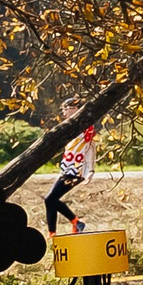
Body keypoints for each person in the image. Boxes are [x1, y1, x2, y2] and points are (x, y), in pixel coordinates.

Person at [45, 98, 92, 233]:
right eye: (63, 109)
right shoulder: (69, 127)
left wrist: (90, 171)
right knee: (51, 200)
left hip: (76, 170)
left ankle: (76, 222)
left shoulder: (85, 127)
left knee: (50, 199)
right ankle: (52, 232)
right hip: (66, 169)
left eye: (67, 109)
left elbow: (90, 148)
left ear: (76, 108)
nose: (64, 112)